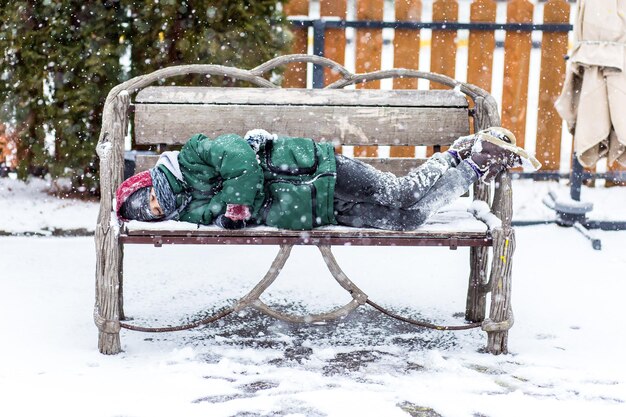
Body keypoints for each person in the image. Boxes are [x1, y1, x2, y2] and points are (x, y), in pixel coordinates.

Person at [116, 127, 537, 231]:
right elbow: (219, 215)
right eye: (154, 214)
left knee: (401, 192)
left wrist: (238, 204)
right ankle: (468, 165)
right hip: (311, 212)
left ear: (148, 183)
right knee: (407, 220)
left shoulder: (189, 158)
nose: (159, 208)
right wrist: (228, 215)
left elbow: (238, 157)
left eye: (151, 200)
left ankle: (463, 155)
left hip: (317, 169)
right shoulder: (187, 207)